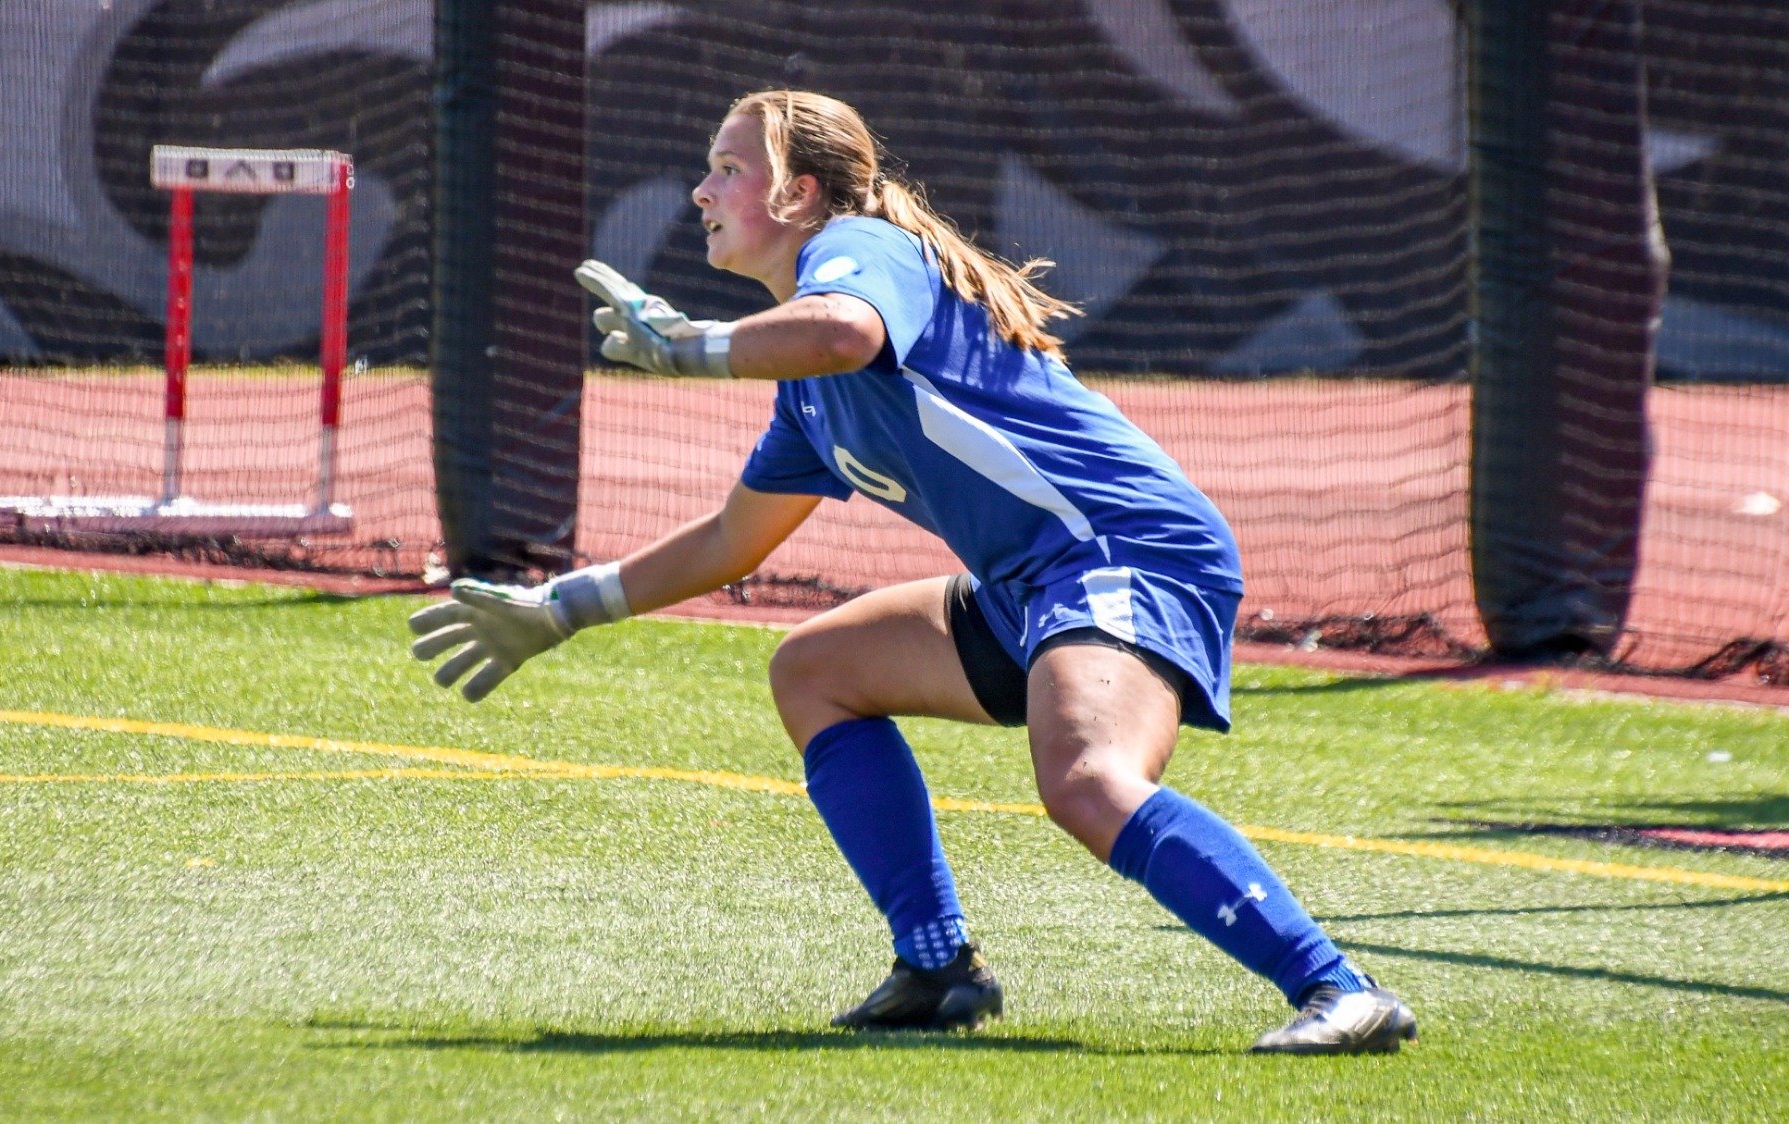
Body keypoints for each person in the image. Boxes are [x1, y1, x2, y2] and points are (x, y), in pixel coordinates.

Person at [408, 89, 1418, 1054]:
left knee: (1084, 781)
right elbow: (731, 542)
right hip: (1033, 582)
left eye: (725, 169)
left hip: (1124, 550)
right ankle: (937, 969)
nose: (700, 192)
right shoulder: (804, 389)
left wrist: (691, 347)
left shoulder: (859, 249)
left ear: (798, 194)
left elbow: (847, 330)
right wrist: (563, 607)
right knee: (813, 670)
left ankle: (1336, 986)